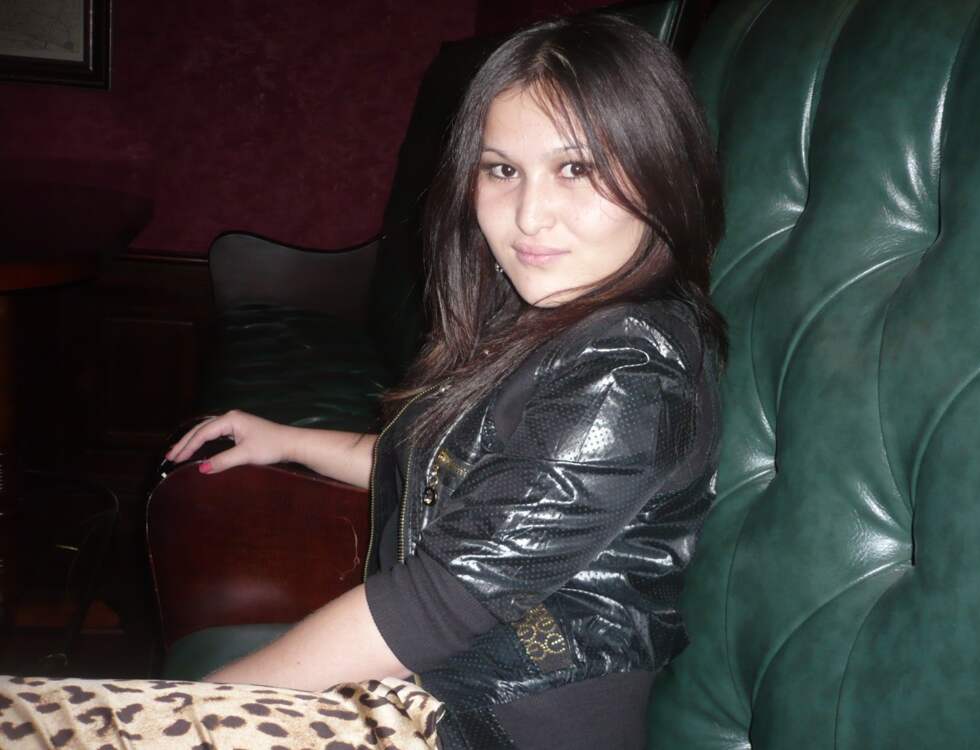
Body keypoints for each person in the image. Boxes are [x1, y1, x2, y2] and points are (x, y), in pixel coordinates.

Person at [0, 12, 725, 750]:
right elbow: (463, 477)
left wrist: (195, 709)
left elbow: (442, 599)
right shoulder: (552, 316)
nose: (529, 216)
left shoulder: (628, 372)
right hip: (436, 685)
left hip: (490, 723)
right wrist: (288, 440)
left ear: (661, 168)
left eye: (577, 168)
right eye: (502, 169)